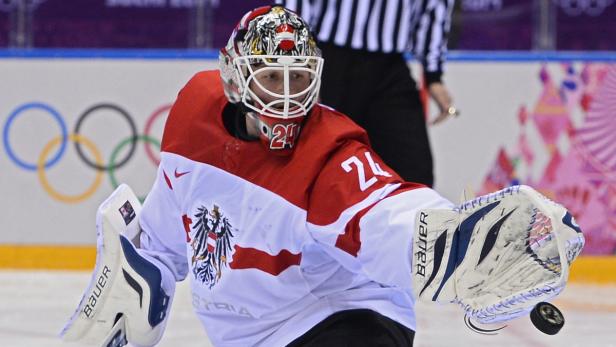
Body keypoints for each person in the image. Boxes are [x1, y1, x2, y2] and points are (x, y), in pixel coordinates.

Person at [61, 6, 584, 347]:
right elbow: (161, 238)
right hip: (253, 333)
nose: (286, 97)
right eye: (270, 78)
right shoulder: (195, 108)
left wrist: (459, 244)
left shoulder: (328, 152)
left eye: (299, 79)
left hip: (343, 320)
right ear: (233, 77)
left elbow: (388, 213)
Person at [274, 0, 458, 187]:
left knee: (415, 172)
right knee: (313, 161)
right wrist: (299, 65)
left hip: (390, 68)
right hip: (329, 61)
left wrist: (434, 75)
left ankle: (415, 216)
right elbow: (294, 6)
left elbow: (434, 7)